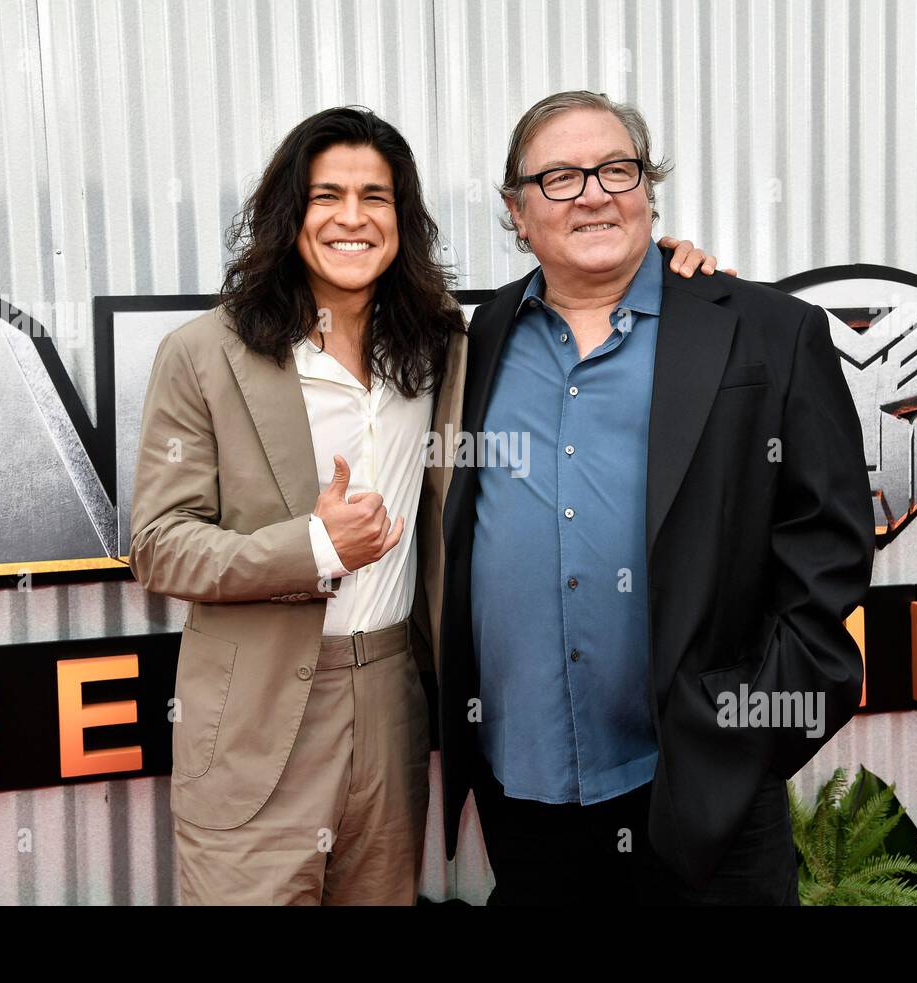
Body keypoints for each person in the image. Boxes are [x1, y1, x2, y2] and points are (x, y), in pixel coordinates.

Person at [128, 104, 724, 904]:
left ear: (402, 220)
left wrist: (671, 267)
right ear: (287, 212)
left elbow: (597, 290)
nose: (352, 218)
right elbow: (159, 545)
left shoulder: (441, 343)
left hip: (394, 701)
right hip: (255, 723)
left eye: (375, 197)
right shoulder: (206, 354)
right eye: (325, 195)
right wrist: (313, 547)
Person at [434, 90, 875, 905]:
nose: (595, 192)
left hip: (701, 797)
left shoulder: (765, 330)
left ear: (648, 188)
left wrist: (742, 739)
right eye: (560, 177)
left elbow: (830, 554)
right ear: (516, 211)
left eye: (615, 169)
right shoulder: (479, 337)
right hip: (524, 795)